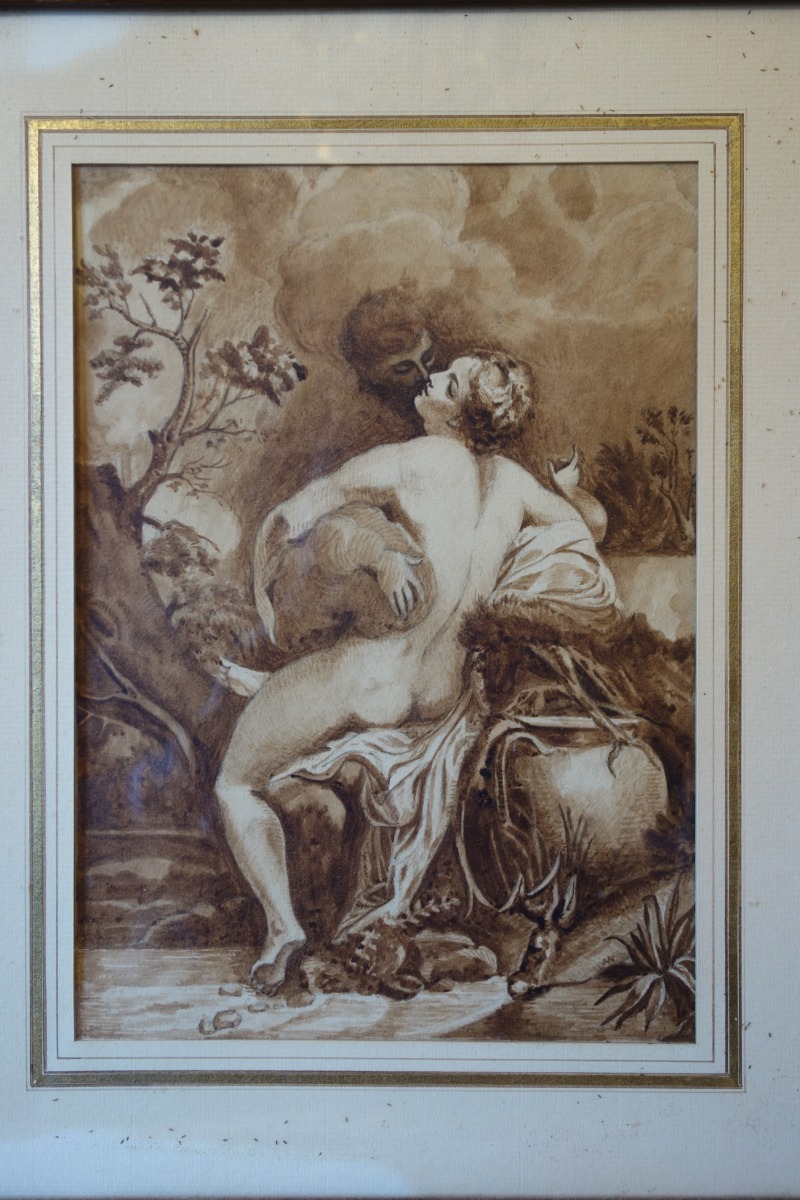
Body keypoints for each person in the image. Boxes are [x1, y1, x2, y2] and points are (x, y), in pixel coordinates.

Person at [215, 351, 617, 992]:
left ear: (460, 414)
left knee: (235, 783)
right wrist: (567, 487)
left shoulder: (421, 459)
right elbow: (588, 529)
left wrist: (271, 583)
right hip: (442, 698)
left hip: (375, 676)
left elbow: (306, 505)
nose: (431, 378)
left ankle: (283, 929)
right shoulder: (515, 485)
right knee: (307, 696)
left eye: (448, 381)